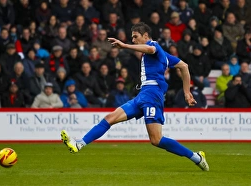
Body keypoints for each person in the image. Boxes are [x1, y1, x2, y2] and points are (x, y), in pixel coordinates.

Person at [60, 22, 209, 171]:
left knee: (156, 140)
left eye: (135, 37)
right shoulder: (162, 55)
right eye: (132, 38)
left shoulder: (154, 46)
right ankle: (79, 144)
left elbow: (150, 49)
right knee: (109, 118)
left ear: (145, 36)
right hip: (143, 95)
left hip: (153, 96)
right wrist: (186, 92)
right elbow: (184, 66)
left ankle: (196, 157)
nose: (133, 40)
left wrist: (125, 46)